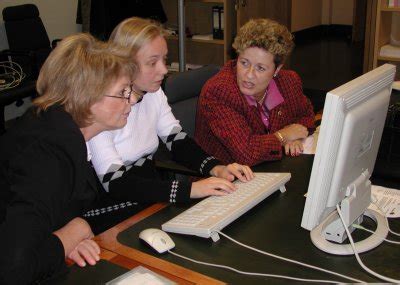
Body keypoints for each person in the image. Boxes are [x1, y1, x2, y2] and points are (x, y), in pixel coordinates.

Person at [0, 33, 137, 284]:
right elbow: (12, 270)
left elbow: (42, 221)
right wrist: (73, 233)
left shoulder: (55, 128)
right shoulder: (49, 154)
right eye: (123, 92)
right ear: (87, 96)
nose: (133, 99)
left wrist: (63, 241)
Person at [87, 17, 254, 214]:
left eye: (164, 59)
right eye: (152, 63)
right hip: (111, 209)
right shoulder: (102, 108)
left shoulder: (153, 92)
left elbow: (177, 141)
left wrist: (217, 168)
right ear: (125, 64)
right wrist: (190, 189)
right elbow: (116, 184)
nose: (164, 70)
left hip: (150, 198)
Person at [195, 18, 315, 166]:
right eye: (244, 63)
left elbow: (306, 116)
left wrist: (294, 138)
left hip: (269, 170)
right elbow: (247, 153)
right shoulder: (220, 92)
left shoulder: (288, 82)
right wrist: (283, 136)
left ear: (277, 70)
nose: (249, 74)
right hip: (224, 179)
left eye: (260, 68)